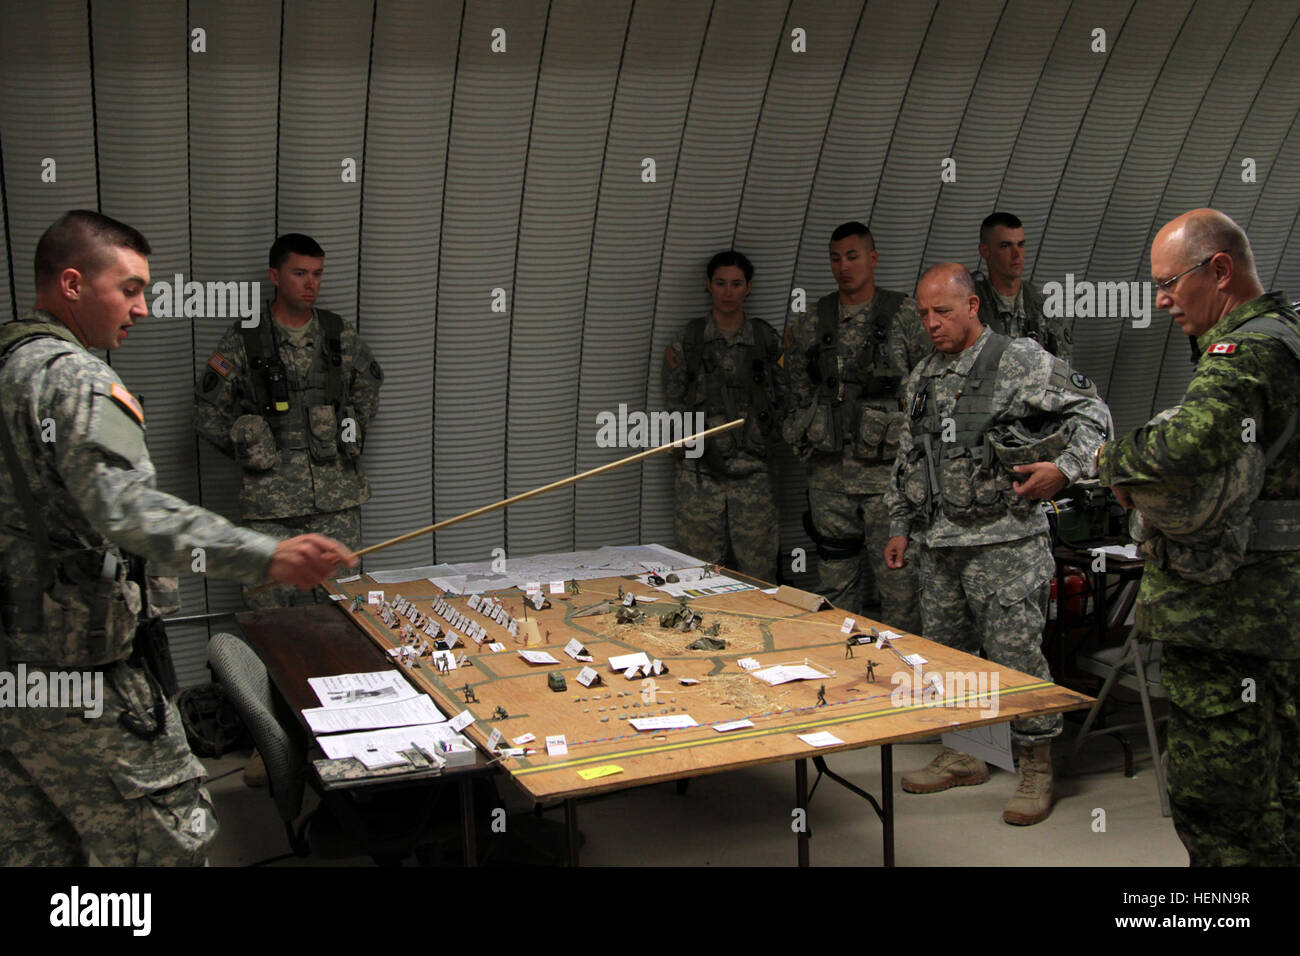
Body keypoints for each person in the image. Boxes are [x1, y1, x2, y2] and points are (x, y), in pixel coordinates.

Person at [0, 210, 355, 865]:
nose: (142, 307)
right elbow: (130, 510)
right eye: (129, 288)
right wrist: (266, 553)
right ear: (73, 284)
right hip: (86, 676)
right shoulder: (75, 378)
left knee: (38, 851)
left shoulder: (9, 365)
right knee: (168, 843)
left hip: (18, 678)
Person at [1098, 208, 1300, 865]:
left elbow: (1192, 440)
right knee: (1281, 790)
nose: (1161, 300)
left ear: (1220, 270)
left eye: (1169, 283)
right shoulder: (1290, 333)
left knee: (1219, 801)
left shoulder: (1245, 347)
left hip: (1231, 614)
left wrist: (1112, 463)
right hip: (1278, 612)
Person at [885, 262, 1109, 825]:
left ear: (972, 306)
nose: (931, 323)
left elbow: (1093, 413)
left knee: (1016, 658)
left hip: (1006, 542)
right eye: (923, 314)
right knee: (951, 658)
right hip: (940, 545)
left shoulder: (1019, 360)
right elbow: (909, 457)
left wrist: (1064, 470)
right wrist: (899, 523)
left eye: (942, 311)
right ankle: (966, 752)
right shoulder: (921, 377)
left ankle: (1036, 766)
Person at [196, 233, 382, 608]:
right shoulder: (245, 338)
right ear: (275, 276)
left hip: (336, 501)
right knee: (270, 615)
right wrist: (249, 447)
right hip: (271, 506)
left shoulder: (338, 334)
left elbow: (368, 388)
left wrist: (344, 433)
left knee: (345, 611)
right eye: (299, 273)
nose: (311, 283)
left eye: (317, 274)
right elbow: (207, 411)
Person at [783, 222, 929, 631]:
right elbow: (796, 389)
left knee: (899, 592)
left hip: (890, 482)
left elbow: (928, 384)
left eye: (852, 256)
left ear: (873, 258)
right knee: (835, 596)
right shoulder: (814, 319)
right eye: (835, 258)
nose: (843, 267)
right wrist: (806, 438)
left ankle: (906, 677)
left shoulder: (903, 315)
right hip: (830, 481)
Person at [663, 250, 785, 582]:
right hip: (700, 475)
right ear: (708, 285)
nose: (728, 292)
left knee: (759, 574)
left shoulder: (764, 340)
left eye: (736, 284)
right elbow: (674, 404)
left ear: (749, 287)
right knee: (697, 573)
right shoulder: (689, 341)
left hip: (754, 473)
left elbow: (786, 399)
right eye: (720, 283)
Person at [971, 212, 1072, 361]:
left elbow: (1063, 370)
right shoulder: (970, 306)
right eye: (1005, 246)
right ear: (984, 251)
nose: (1016, 254)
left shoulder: (1044, 307)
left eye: (1021, 245)